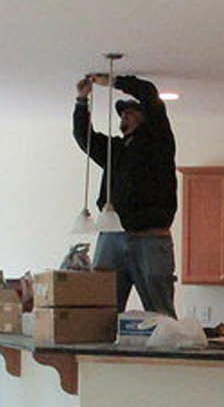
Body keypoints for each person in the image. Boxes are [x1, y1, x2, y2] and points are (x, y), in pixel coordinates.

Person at [73, 71, 178, 315]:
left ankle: (165, 340)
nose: (125, 115)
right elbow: (84, 138)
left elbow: (149, 93)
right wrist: (81, 101)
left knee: (159, 310)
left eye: (132, 112)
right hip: (112, 235)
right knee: (102, 310)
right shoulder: (116, 150)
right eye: (123, 113)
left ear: (146, 117)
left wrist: (114, 81)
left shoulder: (158, 142)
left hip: (150, 236)